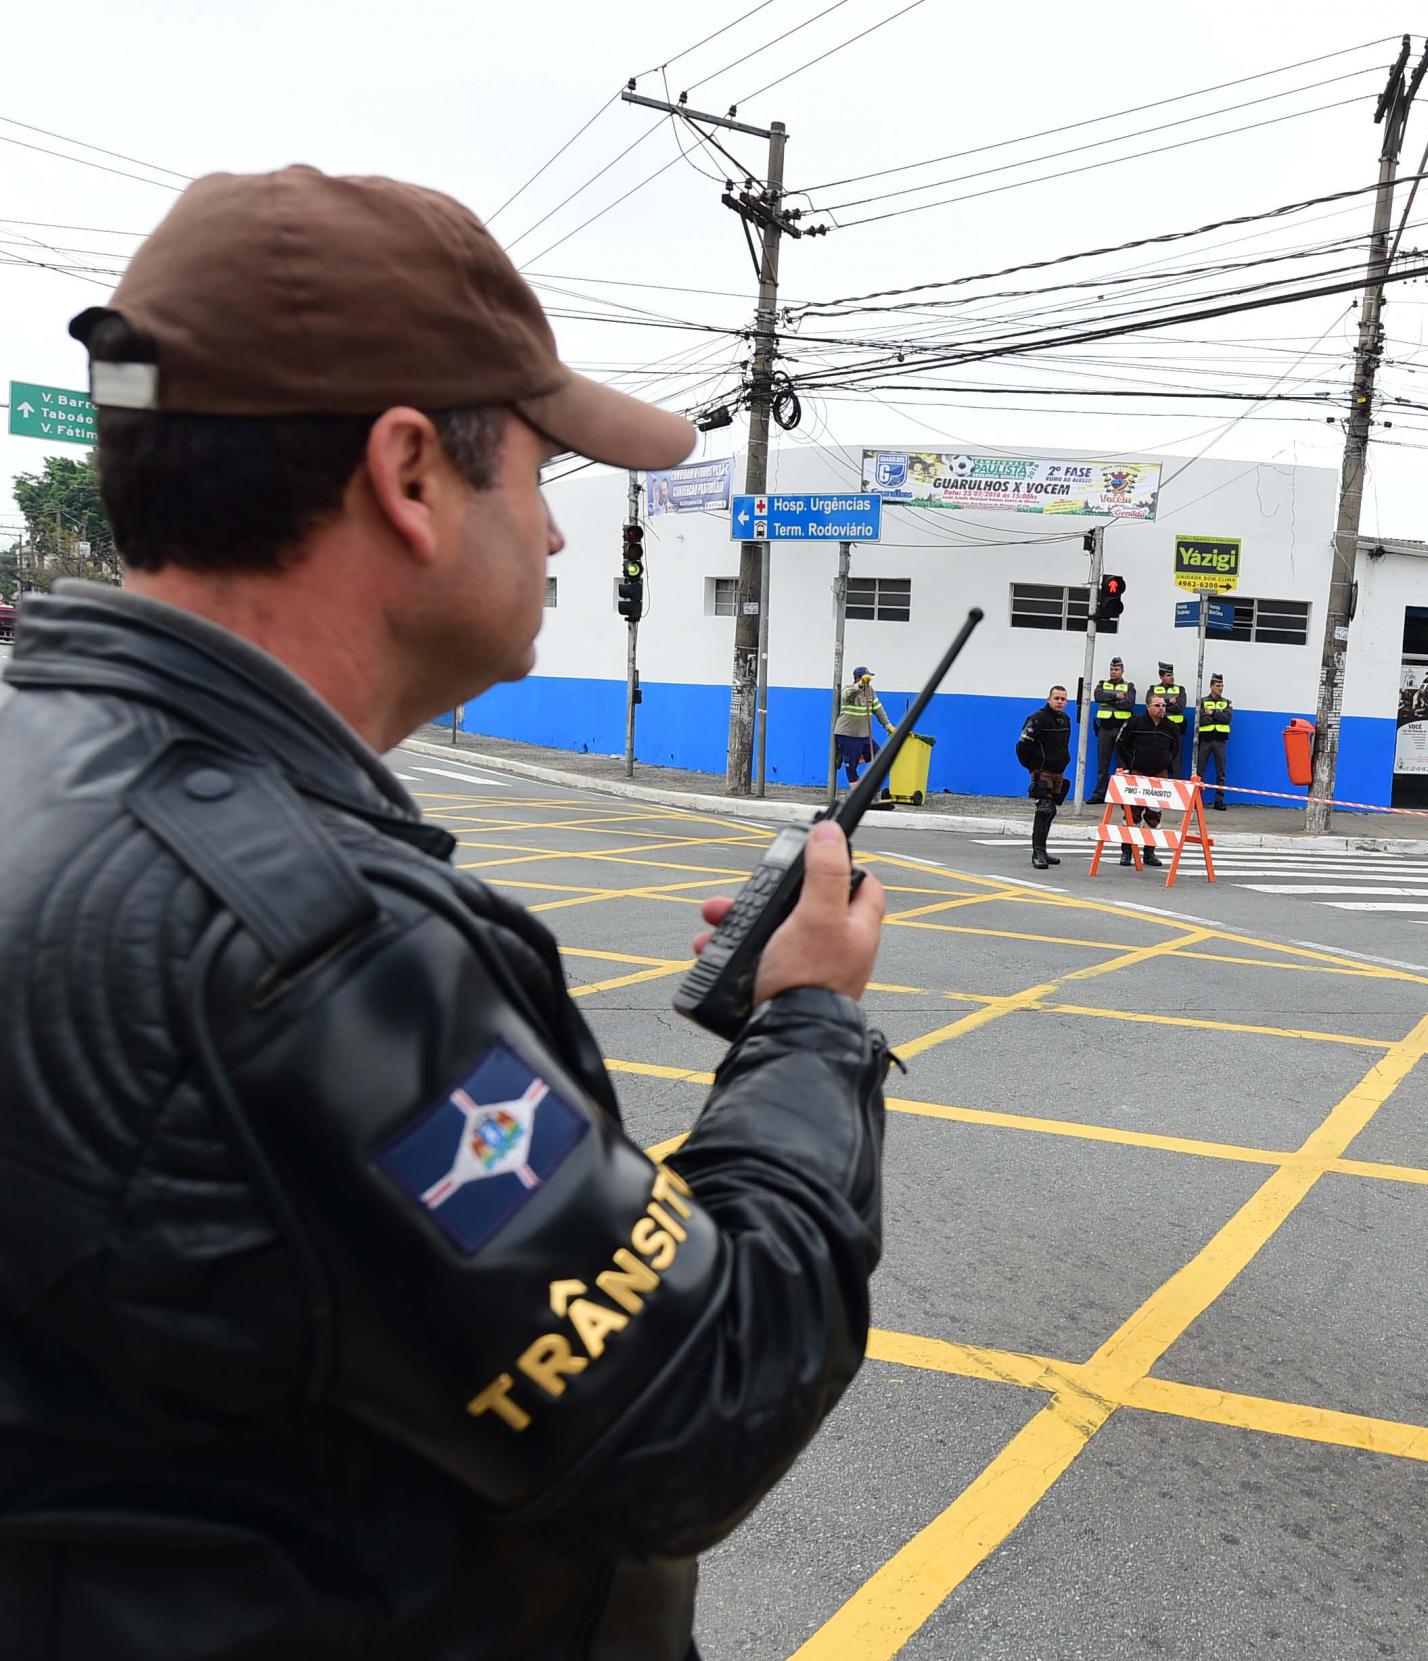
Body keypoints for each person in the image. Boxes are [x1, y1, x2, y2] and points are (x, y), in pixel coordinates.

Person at [0, 166, 895, 1661]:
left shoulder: (43, 769)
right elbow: (700, 1402)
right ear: (410, 475)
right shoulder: (316, 946)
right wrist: (810, 1025)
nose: (553, 539)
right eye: (541, 475)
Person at [1116, 691, 1184, 868]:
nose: (1162, 708)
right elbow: (1121, 743)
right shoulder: (1135, 722)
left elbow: (1176, 749)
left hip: (1159, 775)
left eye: (1163, 705)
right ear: (1148, 707)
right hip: (1137, 773)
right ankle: (1127, 851)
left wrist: (1167, 766)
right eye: (1157, 705)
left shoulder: (1171, 727)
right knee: (1132, 814)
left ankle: (1149, 852)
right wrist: (1128, 765)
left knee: (1154, 814)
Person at [1018, 683, 1073, 870]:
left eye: (1063, 699)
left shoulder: (1065, 719)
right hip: (1042, 771)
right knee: (1044, 808)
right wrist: (1033, 767)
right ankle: (1038, 853)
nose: (1060, 702)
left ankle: (1043, 850)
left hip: (1058, 771)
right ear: (1049, 699)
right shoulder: (1038, 718)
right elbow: (1023, 745)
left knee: (1052, 810)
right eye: (1056, 698)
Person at [834, 665, 893, 790]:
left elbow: (878, 709)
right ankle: (858, 795)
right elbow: (848, 695)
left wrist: (888, 726)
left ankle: (846, 755)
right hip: (848, 734)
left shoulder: (870, 691)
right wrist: (860, 685)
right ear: (858, 678)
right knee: (852, 770)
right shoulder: (848, 689)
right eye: (866, 678)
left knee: (879, 757)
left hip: (864, 735)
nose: (869, 681)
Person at [1085, 655, 1134, 803]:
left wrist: (1110, 700)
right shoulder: (1102, 684)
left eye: (1116, 669)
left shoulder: (1129, 687)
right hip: (1105, 729)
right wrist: (1116, 697)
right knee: (1102, 764)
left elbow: (1128, 704)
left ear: (1122, 670)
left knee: (1123, 765)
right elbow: (1098, 697)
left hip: (1122, 730)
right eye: (1111, 669)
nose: (1113, 672)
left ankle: (1122, 795)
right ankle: (1100, 794)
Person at [1195, 672, 1234, 809]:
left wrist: (1212, 714)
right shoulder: (1203, 702)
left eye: (1222, 685)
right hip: (1205, 740)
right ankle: (1196, 800)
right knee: (1199, 771)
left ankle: (1219, 800)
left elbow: (1227, 719)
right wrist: (1218, 716)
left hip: (1220, 741)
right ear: (1211, 686)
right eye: (1218, 685)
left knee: (1221, 772)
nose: (1221, 688)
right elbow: (1201, 720)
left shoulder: (1226, 702)